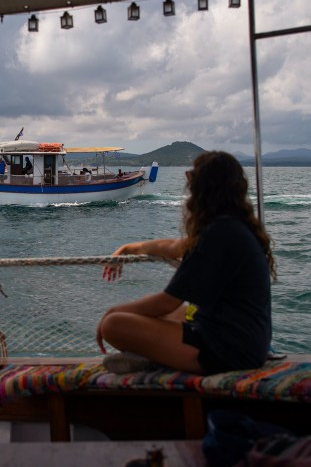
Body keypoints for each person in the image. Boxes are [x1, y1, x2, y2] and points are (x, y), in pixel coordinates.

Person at [97, 151, 276, 375]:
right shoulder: (234, 227)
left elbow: (166, 303)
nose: (187, 181)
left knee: (114, 325)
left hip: (228, 351)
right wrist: (128, 248)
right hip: (247, 342)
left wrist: (112, 311)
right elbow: (174, 247)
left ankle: (154, 360)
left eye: (192, 176)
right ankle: (153, 355)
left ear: (204, 187)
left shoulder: (218, 234)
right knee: (180, 313)